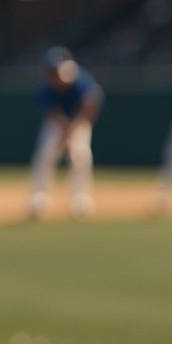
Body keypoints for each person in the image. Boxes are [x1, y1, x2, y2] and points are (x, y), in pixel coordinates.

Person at [27, 47, 104, 220]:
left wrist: (73, 132)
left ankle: (80, 199)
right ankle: (39, 198)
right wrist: (64, 132)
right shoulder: (46, 86)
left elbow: (90, 107)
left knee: (80, 155)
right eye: (51, 71)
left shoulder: (82, 80)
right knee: (46, 154)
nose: (54, 74)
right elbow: (53, 114)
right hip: (57, 124)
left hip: (79, 121)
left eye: (56, 70)